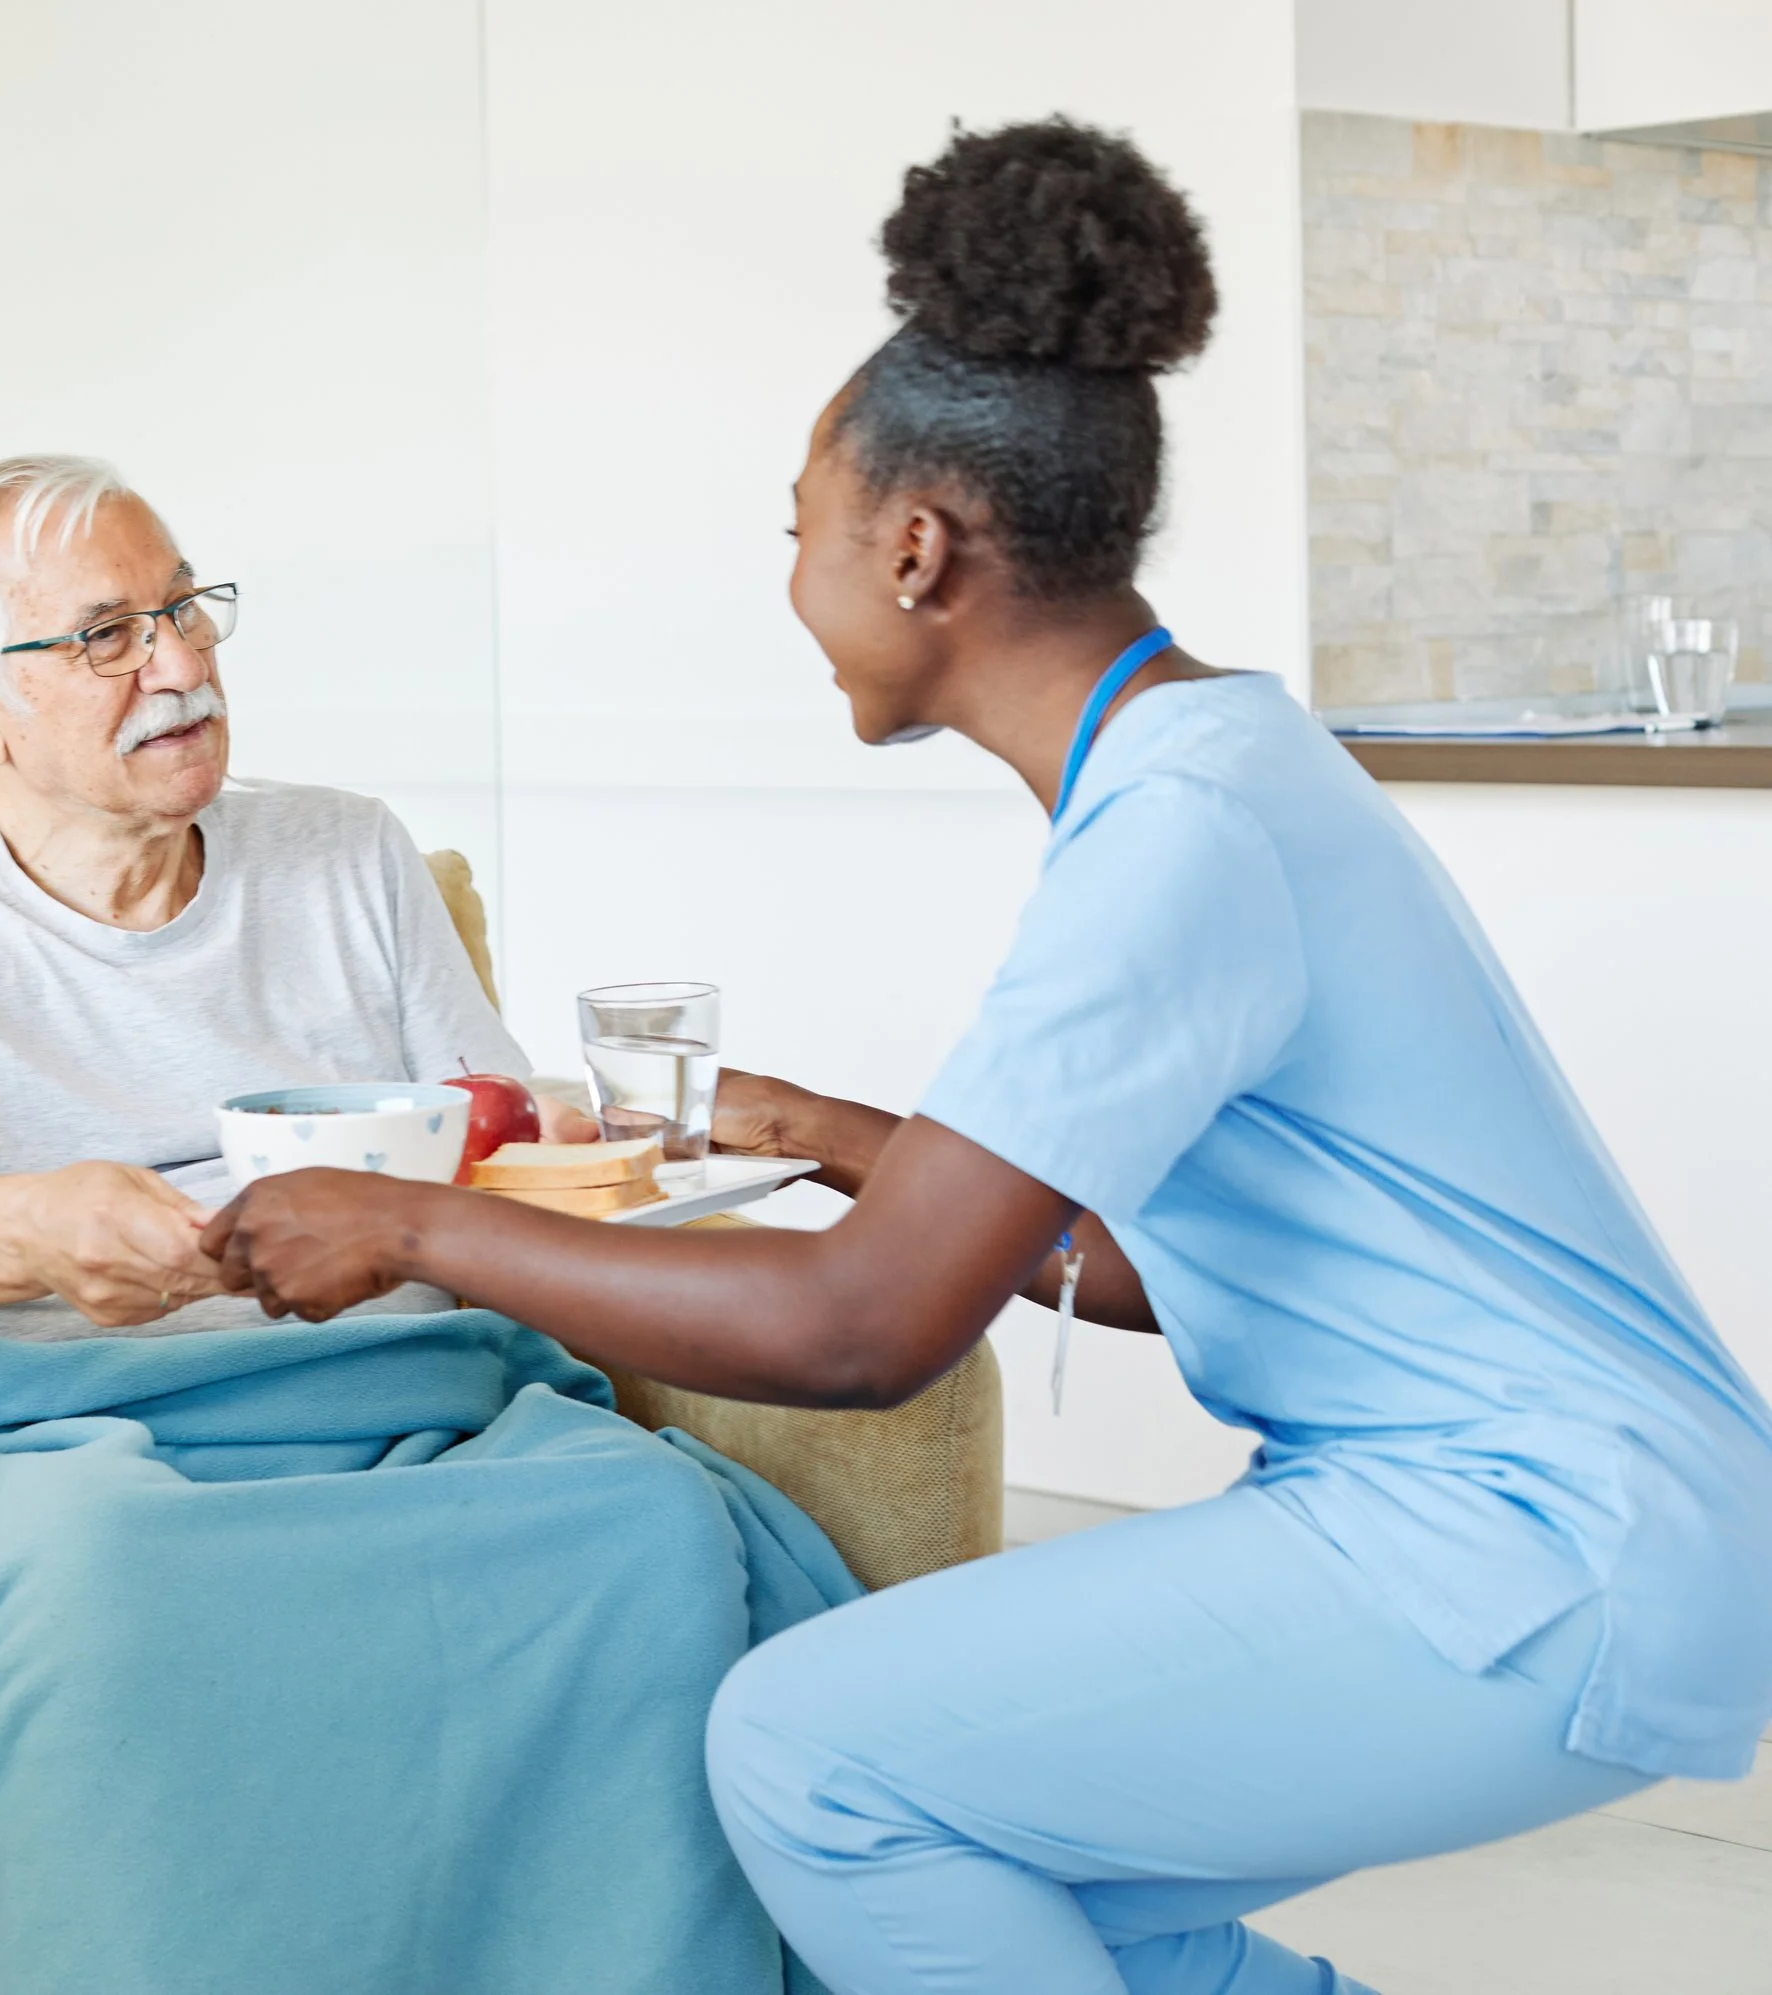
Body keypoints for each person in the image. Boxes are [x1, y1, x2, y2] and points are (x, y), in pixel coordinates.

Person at [202, 120, 1772, 1995]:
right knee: (1069, 1901)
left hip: (1538, 1546)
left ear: (918, 549)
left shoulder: (1178, 834)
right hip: (1563, 1514)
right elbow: (1150, 1264)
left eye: (800, 529)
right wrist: (831, 1133)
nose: (793, 579)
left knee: (818, 1756)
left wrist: (410, 1225)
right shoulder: (1203, 770)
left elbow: (864, 1336)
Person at [0, 454, 579, 1373]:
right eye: (106, 637)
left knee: (662, 1510)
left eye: (183, 610)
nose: (181, 663)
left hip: (419, 1391)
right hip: (69, 1434)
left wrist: (645, 1125)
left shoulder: (349, 848)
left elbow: (508, 1149)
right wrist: (34, 1229)